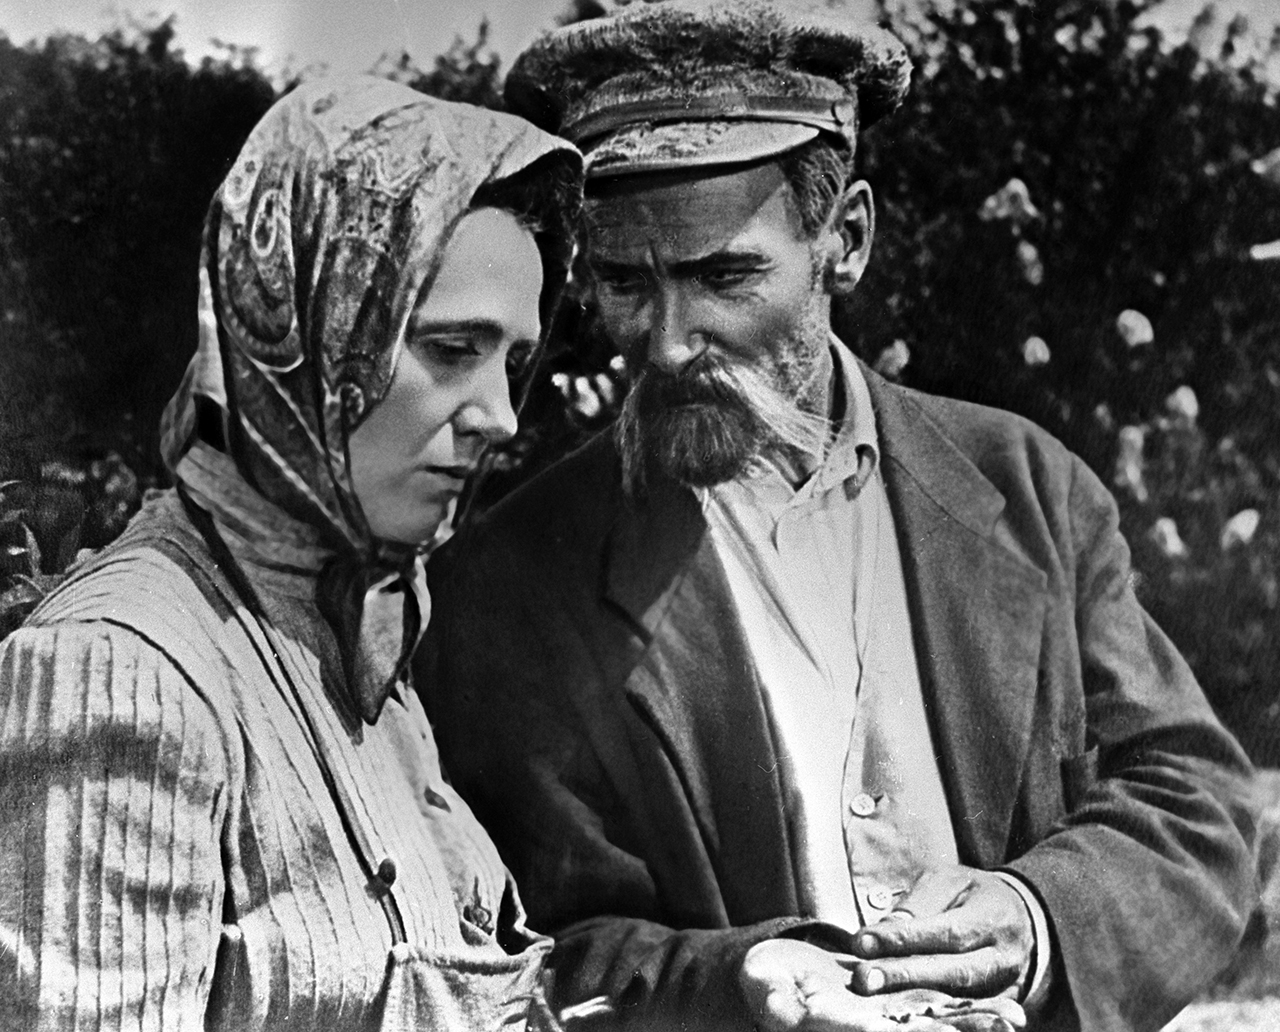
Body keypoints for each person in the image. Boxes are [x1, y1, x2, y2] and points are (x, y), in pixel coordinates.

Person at [419, 2, 1259, 1031]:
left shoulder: (1030, 488)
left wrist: (1037, 919)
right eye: (624, 283)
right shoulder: (508, 582)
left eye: (724, 275)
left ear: (845, 240)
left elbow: (1191, 797)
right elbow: (523, 945)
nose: (667, 342)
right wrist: (735, 985)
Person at [0, 76, 581, 1031]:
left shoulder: (356, 625)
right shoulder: (122, 672)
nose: (501, 417)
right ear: (309, 334)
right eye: (450, 349)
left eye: (513, 363)